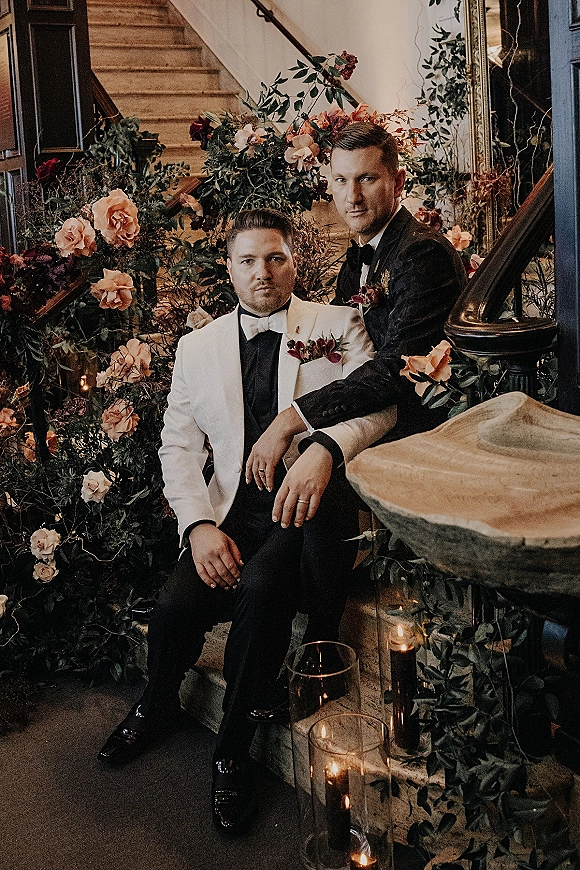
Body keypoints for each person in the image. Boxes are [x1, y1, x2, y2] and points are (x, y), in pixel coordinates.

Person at [98, 208, 395, 837]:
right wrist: (197, 528)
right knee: (176, 605)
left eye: (276, 258)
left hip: (302, 511)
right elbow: (177, 445)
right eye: (248, 260)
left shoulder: (337, 325)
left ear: (295, 260)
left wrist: (321, 447)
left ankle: (232, 751)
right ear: (228, 268)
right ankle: (155, 706)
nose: (263, 273)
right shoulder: (196, 347)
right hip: (229, 510)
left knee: (261, 596)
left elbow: (378, 411)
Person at [246, 122, 467, 523]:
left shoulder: (423, 255)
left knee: (316, 491)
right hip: (375, 413)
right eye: (342, 180)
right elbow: (337, 349)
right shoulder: (359, 257)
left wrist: (296, 424)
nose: (353, 197)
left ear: (397, 181)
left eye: (367, 179)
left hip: (421, 431)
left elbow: (395, 370)